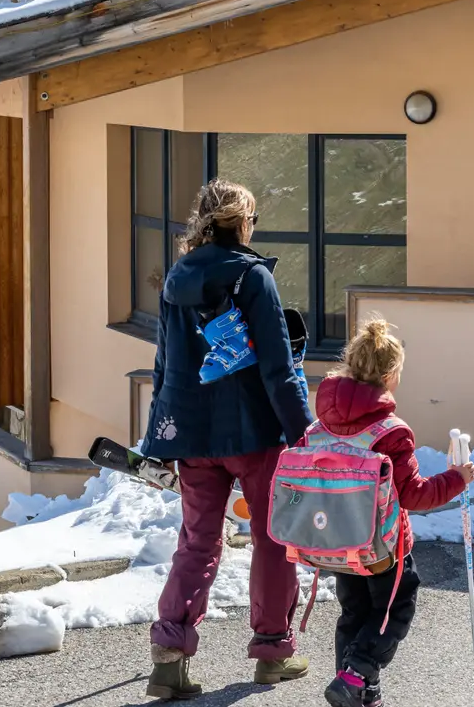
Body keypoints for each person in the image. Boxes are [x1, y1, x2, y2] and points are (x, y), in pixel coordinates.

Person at [143, 179, 315, 699]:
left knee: (197, 539)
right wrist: (302, 434)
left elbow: (165, 363)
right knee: (272, 536)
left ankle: (169, 659)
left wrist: (159, 437)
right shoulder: (253, 276)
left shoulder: (177, 278)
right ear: (243, 222)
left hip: (191, 433)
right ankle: (272, 651)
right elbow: (279, 368)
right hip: (254, 432)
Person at [314, 317, 474, 707]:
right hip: (383, 546)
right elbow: (414, 495)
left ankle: (357, 691)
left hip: (337, 540)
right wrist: (457, 479)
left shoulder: (322, 422)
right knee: (394, 609)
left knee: (354, 613)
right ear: (389, 376)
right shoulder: (390, 431)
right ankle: (356, 676)